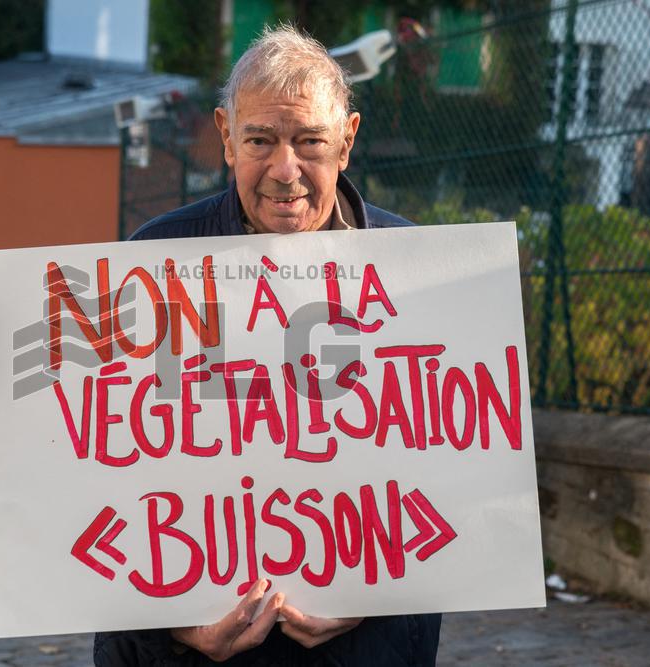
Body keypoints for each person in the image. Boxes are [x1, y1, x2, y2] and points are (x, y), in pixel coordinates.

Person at [93, 26, 441, 667]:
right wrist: (172, 630)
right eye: (260, 140)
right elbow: (97, 489)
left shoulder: (420, 270)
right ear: (226, 137)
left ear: (348, 139)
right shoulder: (153, 262)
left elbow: (459, 487)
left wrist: (383, 591)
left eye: (309, 140)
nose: (286, 170)